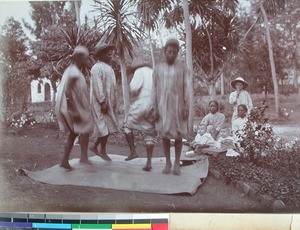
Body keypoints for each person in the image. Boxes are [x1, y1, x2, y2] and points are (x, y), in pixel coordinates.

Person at [149, 38, 192, 175]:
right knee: (165, 134)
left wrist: (186, 107)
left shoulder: (183, 69)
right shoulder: (158, 69)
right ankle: (168, 163)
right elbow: (153, 89)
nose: (171, 55)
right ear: (164, 51)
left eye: (174, 52)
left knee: (178, 135)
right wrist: (154, 107)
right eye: (169, 52)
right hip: (163, 106)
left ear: (178, 53)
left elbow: (187, 88)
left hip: (178, 106)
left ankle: (177, 163)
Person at [55, 45, 93, 170]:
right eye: (86, 58)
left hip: (75, 107)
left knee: (77, 132)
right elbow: (67, 92)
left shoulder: (74, 71)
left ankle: (74, 158)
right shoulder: (73, 72)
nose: (87, 61)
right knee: (77, 132)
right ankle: (69, 159)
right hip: (73, 108)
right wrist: (74, 110)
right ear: (79, 58)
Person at [123, 59, 157, 171]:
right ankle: (149, 162)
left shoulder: (139, 71)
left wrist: (134, 93)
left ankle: (133, 152)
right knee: (150, 132)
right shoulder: (154, 72)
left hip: (143, 101)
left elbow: (134, 87)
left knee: (127, 126)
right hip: (155, 103)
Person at [89, 41, 119, 161]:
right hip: (99, 102)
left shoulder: (109, 68)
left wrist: (113, 102)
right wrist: (102, 101)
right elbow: (98, 86)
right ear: (100, 55)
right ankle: (102, 151)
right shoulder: (96, 68)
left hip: (109, 102)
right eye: (107, 53)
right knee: (103, 127)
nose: (110, 55)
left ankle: (95, 146)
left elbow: (113, 87)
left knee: (109, 126)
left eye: (111, 53)